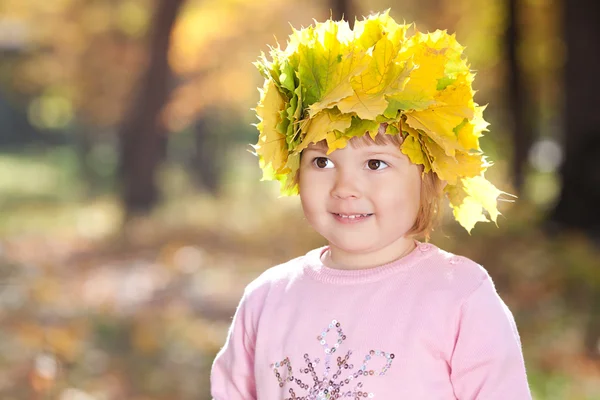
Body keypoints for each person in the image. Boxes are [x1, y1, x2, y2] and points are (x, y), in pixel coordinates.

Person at [211, 10, 532, 399]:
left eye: (376, 163)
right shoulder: (267, 299)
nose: (345, 187)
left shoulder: (460, 297)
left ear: (427, 176)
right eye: (322, 161)